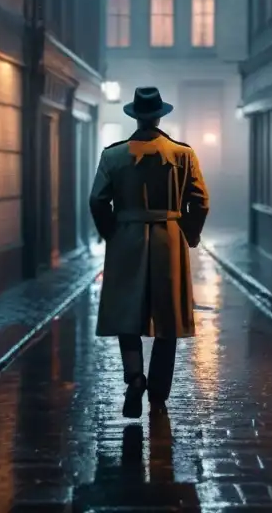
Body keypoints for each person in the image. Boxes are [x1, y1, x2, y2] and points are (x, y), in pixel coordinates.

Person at [89, 86, 210, 418]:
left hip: (126, 237)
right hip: (168, 237)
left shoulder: (113, 156)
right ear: (159, 116)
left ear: (135, 117)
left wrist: (110, 232)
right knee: (168, 317)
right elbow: (200, 200)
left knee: (126, 313)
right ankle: (158, 390)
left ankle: (134, 378)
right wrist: (189, 233)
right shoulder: (183, 155)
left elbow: (98, 200)